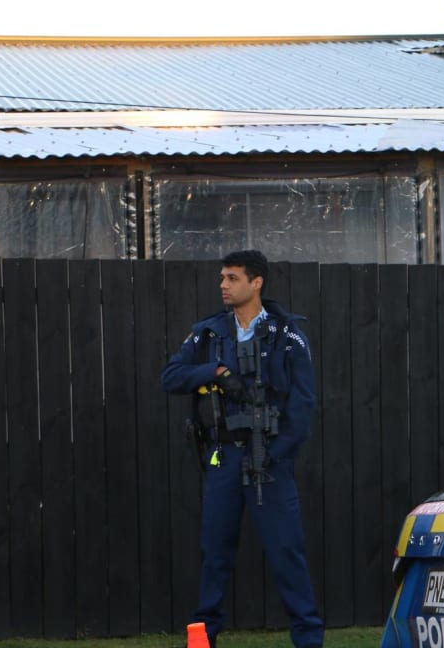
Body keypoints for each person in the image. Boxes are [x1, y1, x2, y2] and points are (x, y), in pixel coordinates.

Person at [161, 249, 324, 648]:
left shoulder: (287, 335)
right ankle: (203, 639)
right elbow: (171, 376)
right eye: (222, 278)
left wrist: (278, 452)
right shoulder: (209, 332)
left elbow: (303, 405)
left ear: (256, 282)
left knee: (287, 553)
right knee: (214, 552)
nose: (223, 285)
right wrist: (215, 372)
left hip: (270, 458)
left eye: (232, 278)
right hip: (224, 456)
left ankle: (308, 640)